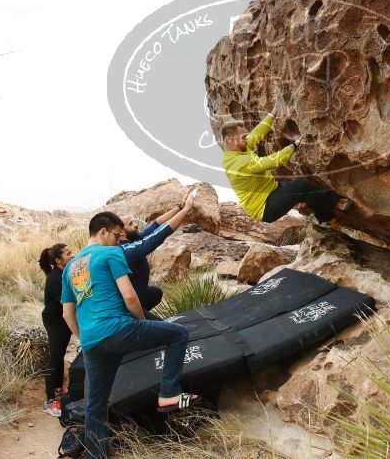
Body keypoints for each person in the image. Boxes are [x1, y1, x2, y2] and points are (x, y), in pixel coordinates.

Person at [61, 210, 198, 459]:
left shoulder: (71, 266)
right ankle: (169, 394)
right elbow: (130, 296)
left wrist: (84, 338)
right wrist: (142, 323)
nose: (119, 239)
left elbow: (67, 314)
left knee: (95, 405)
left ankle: (96, 455)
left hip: (92, 343)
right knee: (178, 334)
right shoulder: (110, 253)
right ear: (102, 231)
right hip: (118, 328)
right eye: (116, 234)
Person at [220, 107, 352, 225]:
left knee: (304, 188)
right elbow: (272, 162)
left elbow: (256, 135)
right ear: (231, 140)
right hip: (264, 207)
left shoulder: (239, 148)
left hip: (272, 190)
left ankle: (328, 219)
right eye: (243, 137)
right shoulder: (236, 165)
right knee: (300, 186)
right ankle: (337, 203)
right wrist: (294, 146)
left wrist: (272, 115)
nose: (247, 138)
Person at [119, 190, 196, 319]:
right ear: (121, 232)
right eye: (131, 224)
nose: (136, 225)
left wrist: (180, 207)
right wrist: (187, 209)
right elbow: (160, 233)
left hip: (138, 296)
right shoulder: (126, 251)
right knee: (174, 333)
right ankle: (137, 321)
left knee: (155, 293)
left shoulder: (133, 239)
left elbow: (156, 225)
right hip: (128, 307)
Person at [38, 242, 75, 417]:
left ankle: (59, 391)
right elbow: (66, 304)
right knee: (55, 358)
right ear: (59, 260)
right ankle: (50, 401)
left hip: (62, 319)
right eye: (68, 254)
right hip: (55, 322)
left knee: (60, 356)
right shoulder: (56, 278)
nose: (72, 255)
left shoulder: (63, 273)